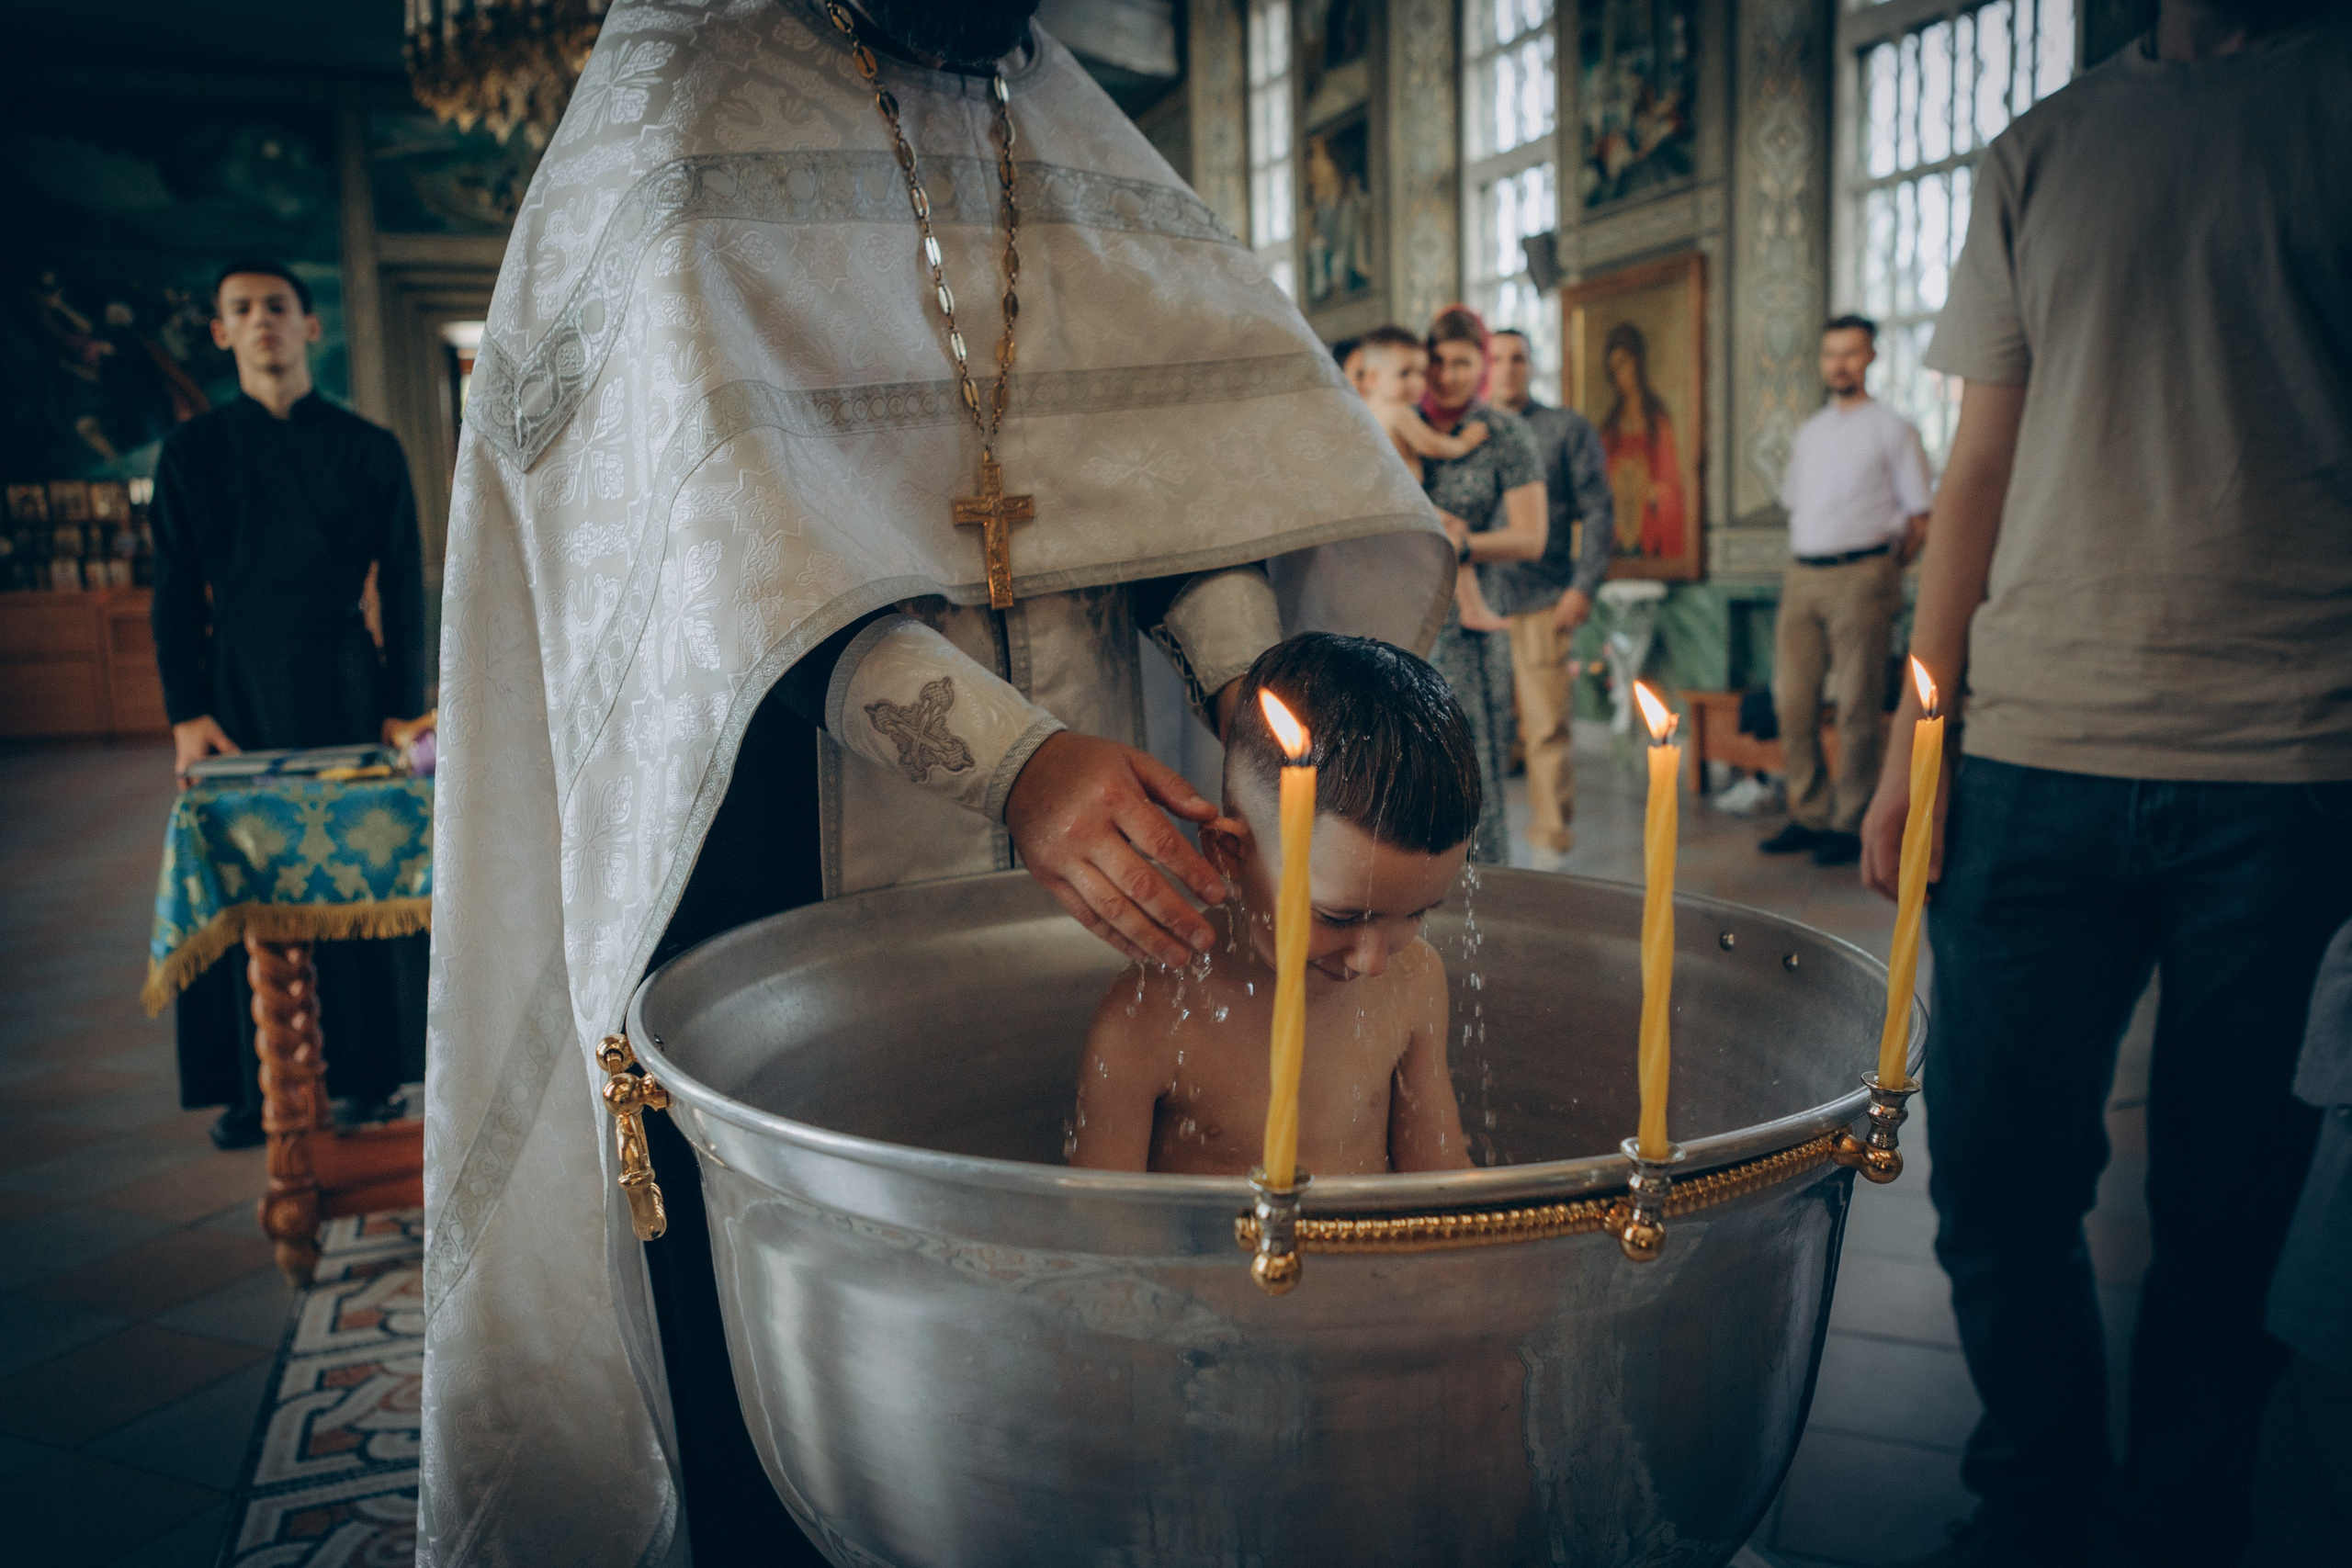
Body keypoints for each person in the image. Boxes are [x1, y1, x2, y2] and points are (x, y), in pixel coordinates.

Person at [420, 4, 1454, 1565]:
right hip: (776, 841)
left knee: (1103, 1372)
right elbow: (690, 546)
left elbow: (1173, 452)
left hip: (1125, 809)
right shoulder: (676, 94)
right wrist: (1010, 761)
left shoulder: (1043, 103)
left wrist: (1253, 686)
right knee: (805, 1368)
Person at [1857, 4, 2352, 1562]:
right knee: (1997, 1178)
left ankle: (2183, 1514)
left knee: (2228, 1204)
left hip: (2293, 755)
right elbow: (1979, 473)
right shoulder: (2041, 150)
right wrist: (1910, 747)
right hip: (2029, 750)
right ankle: (2035, 1492)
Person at [151, 260, 428, 1151]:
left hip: (348, 680)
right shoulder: (191, 453)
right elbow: (172, 590)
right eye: (241, 309)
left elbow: (407, 587)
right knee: (247, 878)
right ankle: (253, 1085)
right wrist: (184, 710)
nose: (261, 320)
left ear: (311, 327)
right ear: (222, 334)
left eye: (278, 305)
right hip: (233, 687)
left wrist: (402, 705)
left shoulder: (369, 447)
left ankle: (369, 1074)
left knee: (356, 868)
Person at [1069, 634, 1478, 1176]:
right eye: (1339, 917)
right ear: (1231, 854)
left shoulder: (1415, 980)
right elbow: (1104, 1229)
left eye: (1418, 913)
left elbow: (1441, 1181)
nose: (1374, 960)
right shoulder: (1152, 1015)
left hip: (1372, 1263)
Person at [1758, 315, 1931, 869]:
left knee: (1857, 702)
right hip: (1803, 573)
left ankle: (1850, 820)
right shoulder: (1810, 433)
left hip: (1865, 573)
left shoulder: (1893, 428)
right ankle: (1808, 811)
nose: (1840, 364)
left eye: (1851, 353)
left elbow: (1920, 518)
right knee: (1793, 698)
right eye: (1831, 353)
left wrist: (1883, 571)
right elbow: (1799, 506)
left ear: (1871, 358)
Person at [1418, 305, 1548, 866]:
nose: (1449, 376)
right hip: (1407, 610)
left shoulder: (1504, 434)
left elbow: (1531, 537)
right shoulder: (1401, 425)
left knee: (1472, 757)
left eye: (1463, 363)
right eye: (1438, 362)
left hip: (1470, 627)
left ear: (1484, 365)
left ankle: (1483, 889)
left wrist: (1461, 544)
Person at [1481, 327, 1614, 869]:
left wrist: (1582, 586)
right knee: (1478, 729)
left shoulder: (1565, 429)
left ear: (1532, 365)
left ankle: (1550, 847)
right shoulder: (1466, 432)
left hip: (1542, 598)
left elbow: (1599, 511)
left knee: (1545, 729)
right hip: (1478, 604)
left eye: (1519, 358)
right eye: (1498, 359)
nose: (1508, 368)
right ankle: (1476, 849)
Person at [1351, 324, 1504, 632]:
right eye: (1404, 374)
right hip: (1403, 502)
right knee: (1453, 534)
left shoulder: (1366, 411)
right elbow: (1432, 445)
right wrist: (1466, 442)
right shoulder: (1397, 412)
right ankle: (1472, 608)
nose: (1416, 383)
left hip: (1394, 502)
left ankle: (1471, 606)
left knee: (1452, 531)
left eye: (1420, 373)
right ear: (1371, 378)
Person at [1597, 321, 1686, 561]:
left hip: (1649, 531)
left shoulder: (1657, 420)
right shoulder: (1611, 426)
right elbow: (1600, 482)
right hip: (1618, 535)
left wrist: (1653, 491)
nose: (1619, 374)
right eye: (1614, 367)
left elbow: (1671, 484)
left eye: (1624, 363)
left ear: (1637, 362)